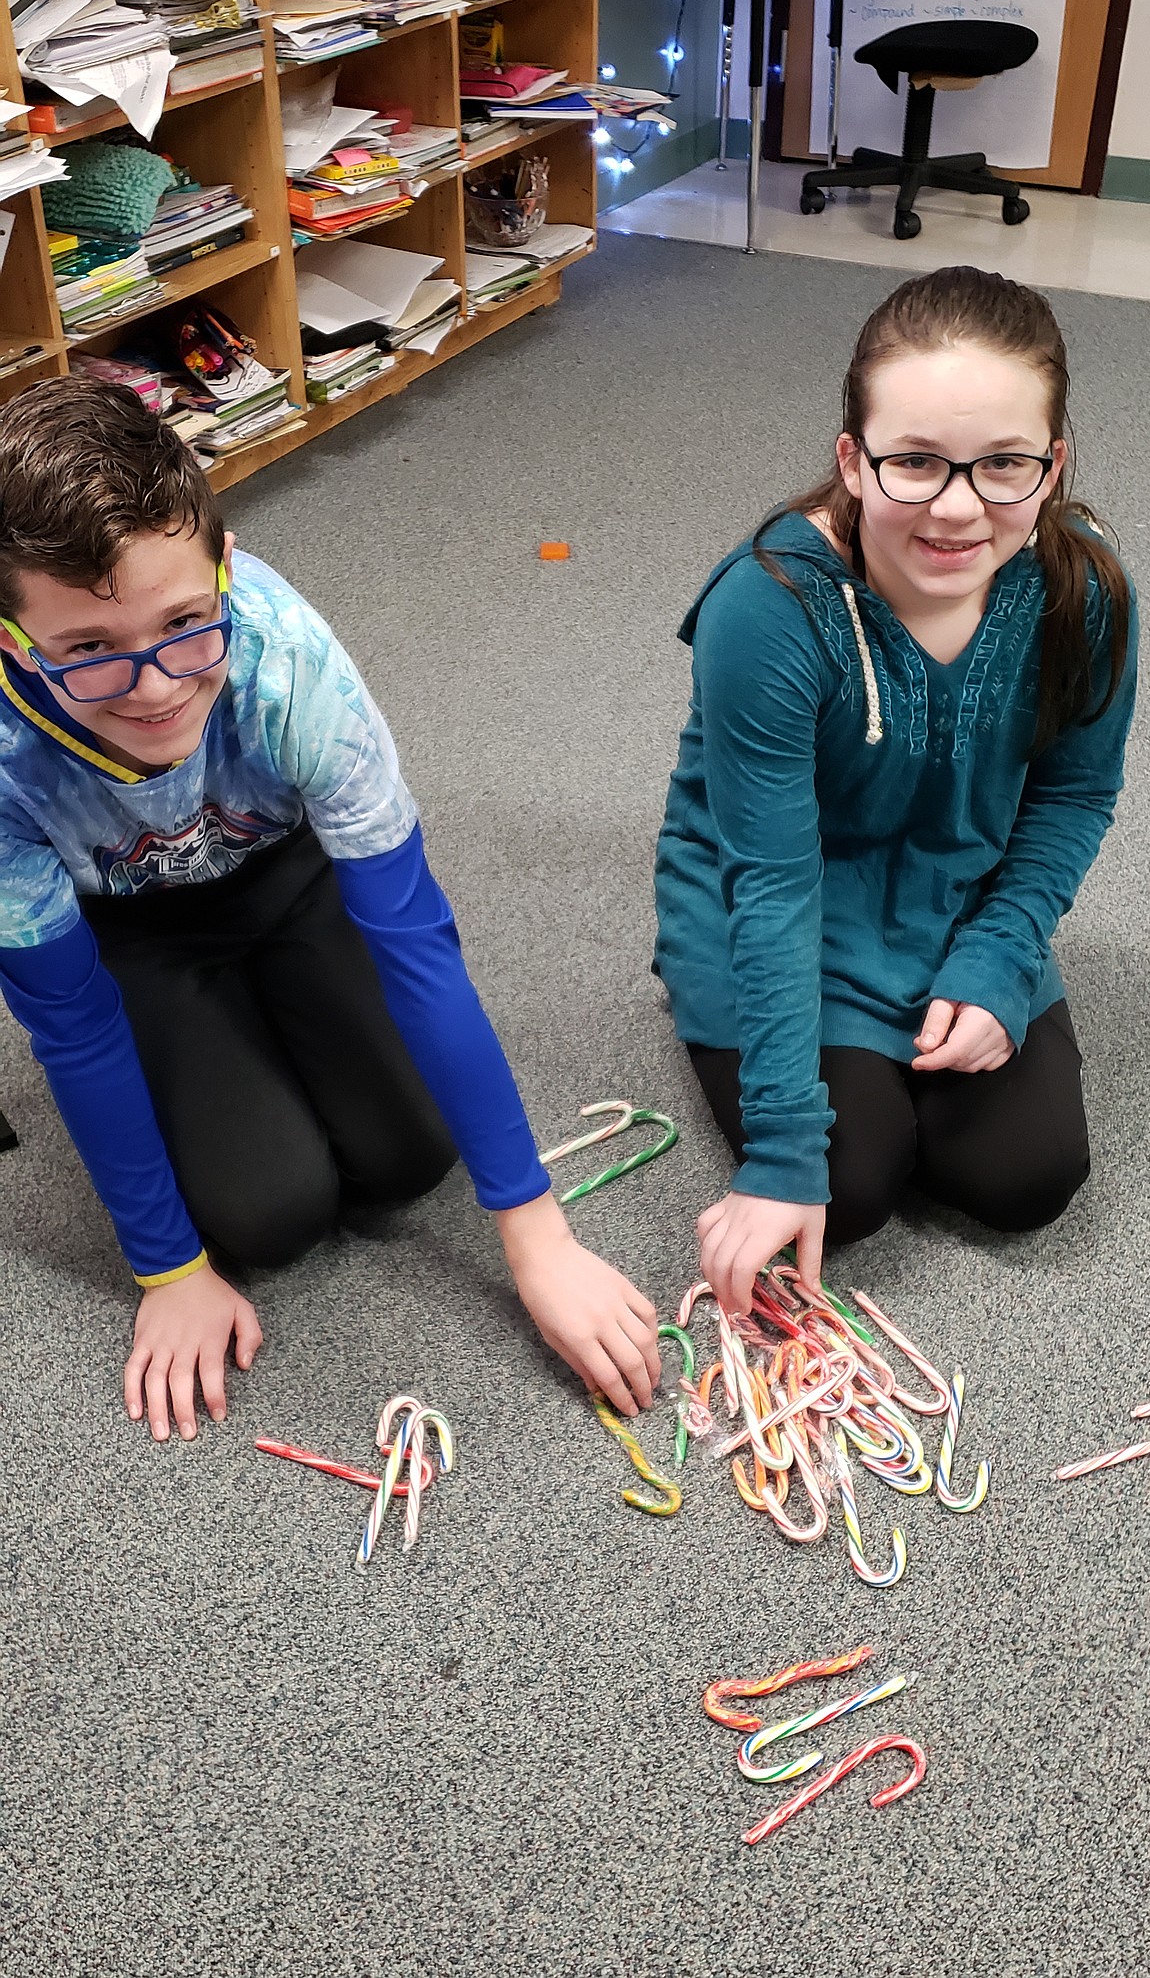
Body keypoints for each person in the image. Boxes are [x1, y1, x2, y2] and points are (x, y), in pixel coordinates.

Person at [0, 378, 660, 1441]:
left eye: (185, 622)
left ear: (223, 569)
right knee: (267, 1214)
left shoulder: (288, 662)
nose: (158, 683)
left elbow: (419, 946)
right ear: (12, 639)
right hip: (130, 926)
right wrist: (167, 1269)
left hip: (287, 873)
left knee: (410, 1153)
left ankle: (262, 1023)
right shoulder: (6, 762)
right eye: (88, 649)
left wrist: (538, 1238)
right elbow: (71, 1026)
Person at [654, 266, 1136, 1317]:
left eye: (1004, 463)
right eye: (914, 461)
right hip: (782, 899)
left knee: (1026, 1175)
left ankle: (920, 1022)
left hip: (958, 893)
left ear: (1054, 465)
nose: (959, 507)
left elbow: (1072, 798)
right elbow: (771, 880)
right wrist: (781, 1149)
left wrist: (1002, 953)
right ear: (852, 459)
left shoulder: (1084, 592)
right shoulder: (769, 606)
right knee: (850, 1180)